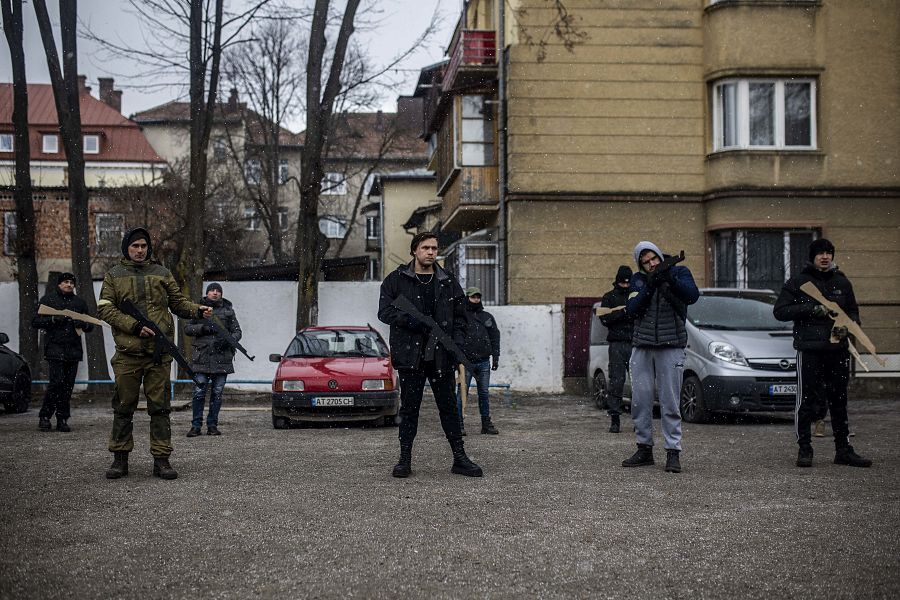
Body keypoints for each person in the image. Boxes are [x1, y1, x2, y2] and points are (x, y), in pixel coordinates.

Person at [97, 228, 212, 480]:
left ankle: (162, 460)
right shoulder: (114, 275)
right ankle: (119, 459)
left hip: (158, 355)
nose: (140, 250)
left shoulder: (162, 273)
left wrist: (197, 310)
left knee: (160, 409)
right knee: (123, 407)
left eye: (143, 246)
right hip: (128, 354)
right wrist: (134, 326)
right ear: (126, 248)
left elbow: (178, 303)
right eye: (135, 246)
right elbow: (105, 310)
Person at [377, 232, 482, 478]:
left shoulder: (447, 281)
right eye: (425, 248)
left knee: (449, 408)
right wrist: (412, 321)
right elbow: (384, 313)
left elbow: (461, 317)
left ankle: (460, 458)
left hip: (442, 356)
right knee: (410, 409)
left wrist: (455, 344)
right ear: (415, 250)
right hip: (410, 356)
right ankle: (404, 460)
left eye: (434, 248)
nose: (431, 252)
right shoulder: (396, 280)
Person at [773, 238, 871, 468]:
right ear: (812, 257)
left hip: (837, 350)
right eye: (820, 253)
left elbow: (853, 312)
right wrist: (810, 309)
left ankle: (843, 449)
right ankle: (805, 449)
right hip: (809, 350)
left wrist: (848, 325)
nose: (825, 257)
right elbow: (780, 311)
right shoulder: (798, 282)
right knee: (806, 401)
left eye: (828, 253)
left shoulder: (842, 283)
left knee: (839, 400)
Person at [622, 241, 698, 473]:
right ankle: (644, 448)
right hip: (642, 345)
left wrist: (669, 281)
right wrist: (650, 286)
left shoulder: (679, 271)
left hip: (671, 345)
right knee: (640, 401)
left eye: (653, 258)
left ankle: (673, 452)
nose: (651, 263)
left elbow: (691, 296)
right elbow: (633, 309)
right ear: (641, 265)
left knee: (670, 401)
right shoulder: (638, 279)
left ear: (659, 255)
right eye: (645, 262)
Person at [31, 272, 93, 432]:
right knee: (56, 384)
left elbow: (90, 325)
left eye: (72, 283)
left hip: (73, 350)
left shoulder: (79, 303)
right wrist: (53, 320)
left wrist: (83, 324)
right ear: (59, 284)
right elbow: (35, 322)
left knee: (67, 387)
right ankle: (45, 417)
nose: (69, 285)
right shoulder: (48, 300)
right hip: (55, 349)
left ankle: (62, 419)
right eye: (66, 282)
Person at [184, 282, 243, 437]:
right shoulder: (198, 309)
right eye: (212, 290)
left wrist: (227, 340)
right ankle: (196, 426)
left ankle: (212, 426)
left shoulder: (228, 311)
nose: (215, 293)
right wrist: (202, 328)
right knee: (198, 393)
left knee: (217, 393)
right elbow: (188, 329)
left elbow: (237, 332)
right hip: (201, 358)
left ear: (221, 293)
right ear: (207, 293)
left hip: (222, 358)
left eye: (218, 291)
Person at [455, 286, 501, 436]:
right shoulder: (461, 317)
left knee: (484, 393)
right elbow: (456, 338)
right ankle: (458, 425)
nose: (476, 299)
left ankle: (486, 424)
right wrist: (457, 360)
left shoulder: (486, 316)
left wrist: (496, 357)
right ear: (467, 298)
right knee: (462, 394)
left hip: (483, 361)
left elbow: (495, 336)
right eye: (473, 297)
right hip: (465, 362)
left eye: (478, 297)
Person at [599, 265, 633, 434]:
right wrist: (623, 313)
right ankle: (615, 419)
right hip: (618, 343)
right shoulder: (609, 297)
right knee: (616, 382)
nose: (626, 286)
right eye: (623, 283)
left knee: (640, 384)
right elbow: (604, 319)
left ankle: (639, 420)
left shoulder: (636, 295)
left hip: (635, 343)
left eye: (628, 283)